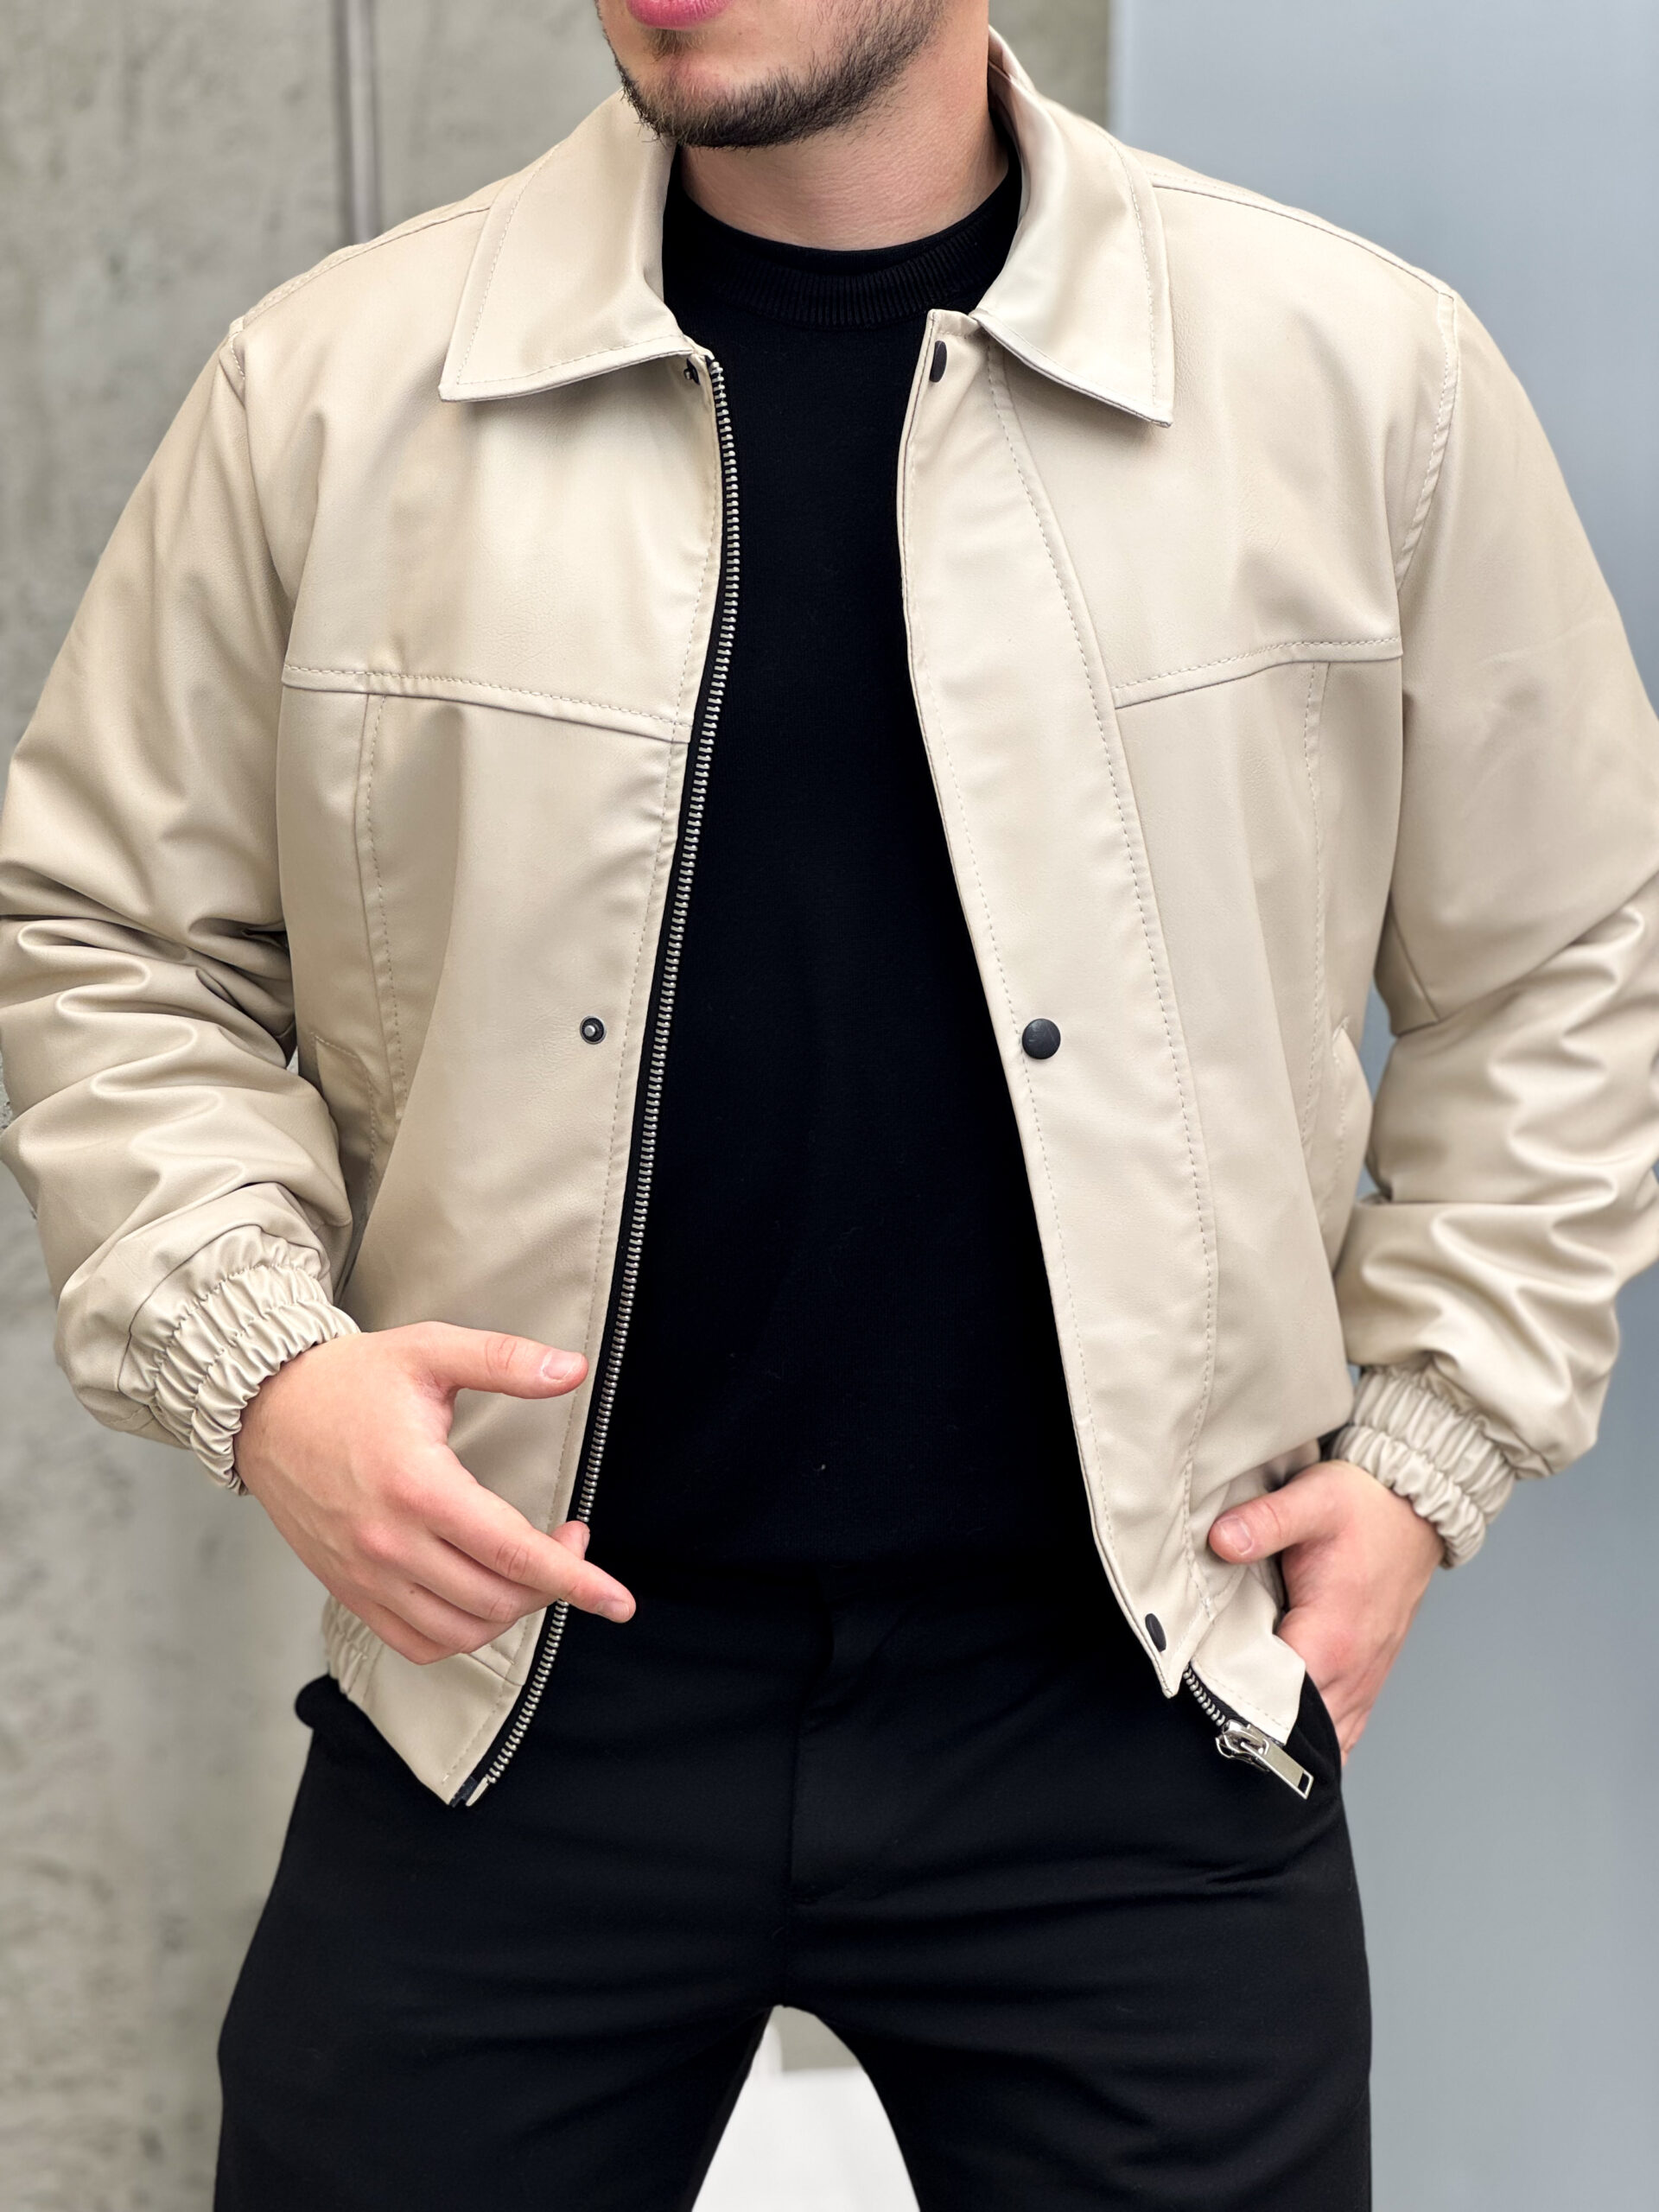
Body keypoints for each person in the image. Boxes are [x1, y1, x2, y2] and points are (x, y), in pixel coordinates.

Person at [3, 0, 1656, 2203]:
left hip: (1131, 1689)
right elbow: (116, 933)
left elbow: (1567, 949)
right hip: (511, 1678)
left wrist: (1435, 1440)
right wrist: (262, 1363)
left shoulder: (1359, 377)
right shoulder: (330, 388)